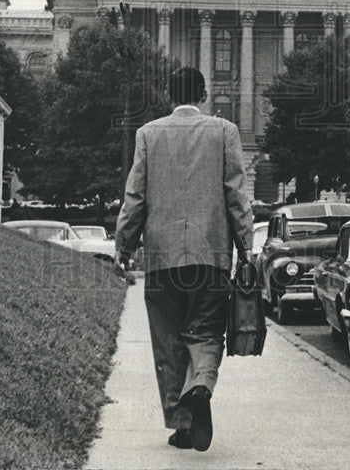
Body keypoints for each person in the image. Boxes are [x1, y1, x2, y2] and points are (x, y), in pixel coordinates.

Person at [114, 66, 253, 452]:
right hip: (211, 255)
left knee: (169, 343)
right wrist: (246, 250)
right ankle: (202, 387)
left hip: (162, 257)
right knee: (207, 332)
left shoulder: (148, 135)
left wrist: (123, 246)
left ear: (168, 95)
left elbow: (135, 197)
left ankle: (181, 423)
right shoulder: (225, 132)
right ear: (203, 94)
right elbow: (237, 196)